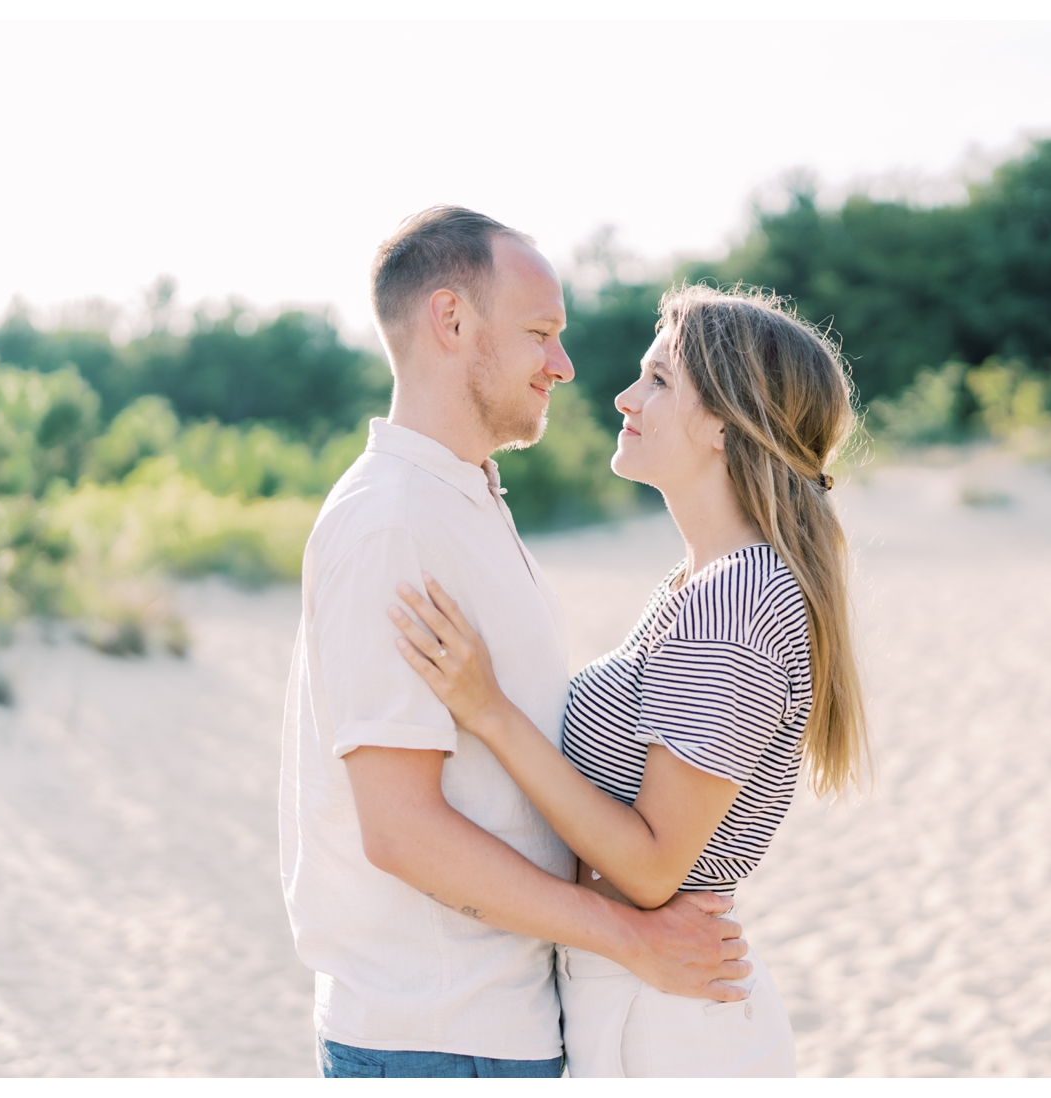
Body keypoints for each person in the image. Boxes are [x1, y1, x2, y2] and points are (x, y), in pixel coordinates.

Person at [279, 208, 753, 1080]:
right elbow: (402, 831)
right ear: (452, 321)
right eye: (541, 334)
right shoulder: (391, 522)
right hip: (432, 1037)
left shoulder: (466, 502)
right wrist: (633, 936)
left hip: (500, 1028)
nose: (565, 367)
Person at [389, 283, 868, 1077]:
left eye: (657, 380)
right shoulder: (701, 583)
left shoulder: (737, 602)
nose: (623, 396)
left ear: (722, 424)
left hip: (665, 1016)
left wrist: (489, 711)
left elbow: (649, 868)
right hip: (639, 997)